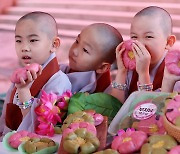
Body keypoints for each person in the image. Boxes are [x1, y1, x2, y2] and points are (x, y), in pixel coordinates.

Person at [0, 11, 72, 139]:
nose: (24, 47)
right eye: (18, 40)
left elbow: (38, 127)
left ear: (54, 44)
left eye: (33, 40)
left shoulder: (59, 81)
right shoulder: (22, 73)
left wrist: (23, 91)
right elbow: (5, 116)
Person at [111, 6, 176, 103]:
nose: (140, 44)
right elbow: (114, 107)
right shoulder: (131, 66)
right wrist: (121, 71)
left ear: (168, 42)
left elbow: (154, 114)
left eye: (148, 36)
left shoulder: (174, 71)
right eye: (134, 37)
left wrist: (143, 74)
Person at [60, 23, 123, 94]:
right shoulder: (66, 68)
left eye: (85, 50)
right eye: (77, 41)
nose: (74, 50)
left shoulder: (90, 87)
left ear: (102, 67)